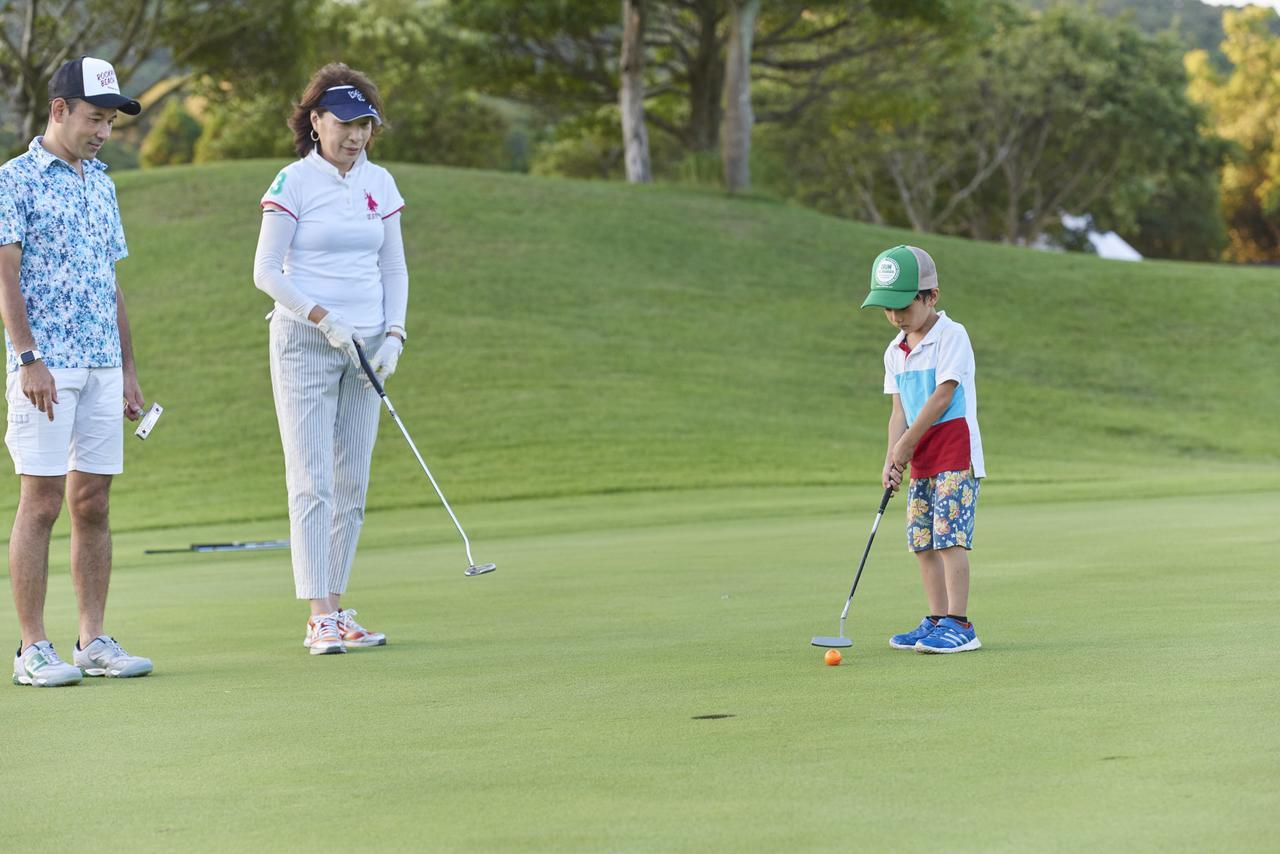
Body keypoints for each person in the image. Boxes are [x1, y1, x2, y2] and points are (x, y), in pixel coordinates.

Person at [0, 56, 153, 686]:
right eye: (95, 118)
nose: (103, 131)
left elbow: (109, 280)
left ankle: (92, 639)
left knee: (92, 502)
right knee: (40, 502)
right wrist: (28, 357)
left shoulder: (102, 182)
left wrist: (128, 369)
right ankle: (32, 648)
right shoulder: (15, 180)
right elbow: (4, 272)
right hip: (46, 366)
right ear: (59, 110)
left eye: (111, 121)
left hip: (100, 365)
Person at [252, 63, 407, 655]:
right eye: (344, 123)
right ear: (316, 122)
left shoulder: (382, 183)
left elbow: (393, 266)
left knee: (352, 482)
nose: (356, 135)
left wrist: (394, 334)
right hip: (305, 343)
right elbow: (265, 272)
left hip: (368, 346)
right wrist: (322, 317)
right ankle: (320, 616)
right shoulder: (292, 182)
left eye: (365, 124)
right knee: (311, 477)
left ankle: (337, 607)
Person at [860, 245, 985, 654]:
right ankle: (936, 619)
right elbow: (898, 410)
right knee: (922, 540)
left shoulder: (952, 335)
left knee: (949, 538)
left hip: (954, 452)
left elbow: (943, 396)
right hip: (923, 459)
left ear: (931, 295)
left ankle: (959, 624)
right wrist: (891, 457)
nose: (896, 317)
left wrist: (906, 444)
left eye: (903, 305)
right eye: (887, 308)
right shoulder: (894, 351)